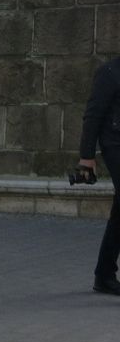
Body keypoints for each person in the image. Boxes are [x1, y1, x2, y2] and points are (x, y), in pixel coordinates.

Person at [79, 56, 120, 295]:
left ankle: (104, 275)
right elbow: (92, 115)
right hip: (115, 144)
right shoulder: (110, 72)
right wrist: (86, 157)